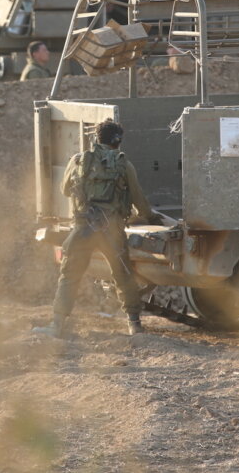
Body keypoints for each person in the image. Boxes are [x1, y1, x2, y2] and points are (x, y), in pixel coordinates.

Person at [35, 119, 153, 338]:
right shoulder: (123, 164)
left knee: (69, 275)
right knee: (122, 274)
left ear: (96, 138)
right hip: (112, 230)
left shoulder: (78, 161)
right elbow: (138, 199)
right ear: (118, 141)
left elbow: (65, 190)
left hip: (83, 228)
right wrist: (151, 216)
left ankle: (57, 325)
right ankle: (134, 324)